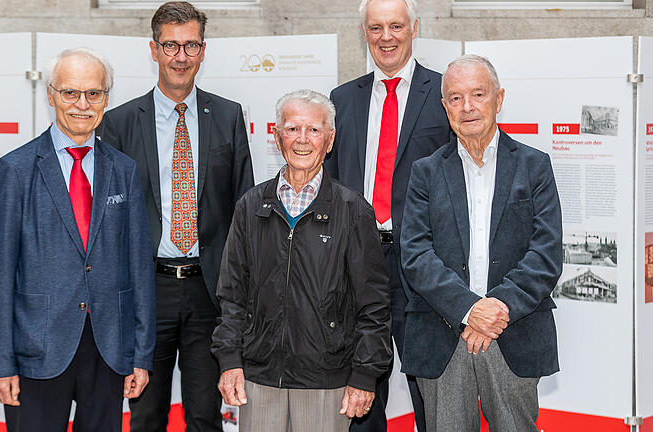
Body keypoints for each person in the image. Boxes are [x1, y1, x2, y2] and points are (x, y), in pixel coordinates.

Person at [98, 2, 254, 431]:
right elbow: (107, 224)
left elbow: (243, 211)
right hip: (148, 293)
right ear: (153, 49)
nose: (180, 56)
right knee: (146, 414)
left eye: (190, 45)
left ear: (203, 51)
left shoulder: (227, 115)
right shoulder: (119, 123)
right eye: (171, 45)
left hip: (211, 293)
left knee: (206, 416)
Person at [0, 47, 155, 432]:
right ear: (50, 94)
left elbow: (139, 268)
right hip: (36, 349)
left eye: (93, 93)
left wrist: (141, 354)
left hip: (108, 348)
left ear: (106, 98)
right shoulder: (15, 170)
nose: (82, 104)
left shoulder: (124, 170)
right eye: (70, 93)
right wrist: (0, 362)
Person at [212, 89, 392, 432]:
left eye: (314, 129)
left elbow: (374, 307)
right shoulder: (250, 206)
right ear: (277, 136)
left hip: (326, 382)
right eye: (293, 129)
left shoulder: (354, 211)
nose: (303, 139)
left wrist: (365, 375)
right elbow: (232, 296)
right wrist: (229, 360)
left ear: (330, 139)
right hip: (259, 379)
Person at [399, 54, 562, 432]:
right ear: (444, 107)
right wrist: (470, 310)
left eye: (477, 94)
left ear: (499, 99)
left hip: (512, 332)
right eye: (455, 98)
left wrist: (496, 309)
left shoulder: (534, 166)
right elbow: (416, 254)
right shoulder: (425, 172)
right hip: (443, 334)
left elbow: (546, 252)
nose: (467, 107)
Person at [325, 0, 453, 430]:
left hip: (421, 263)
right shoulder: (342, 99)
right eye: (376, 27)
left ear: (414, 28)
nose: (386, 37)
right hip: (357, 260)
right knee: (361, 388)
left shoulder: (442, 95)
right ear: (364, 32)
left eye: (395, 26)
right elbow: (331, 181)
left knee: (430, 390)